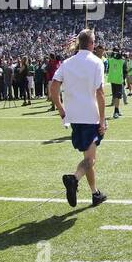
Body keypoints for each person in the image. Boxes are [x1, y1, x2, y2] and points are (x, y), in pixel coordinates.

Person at [50, 30, 109, 208]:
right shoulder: (96, 62)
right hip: (90, 116)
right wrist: (102, 120)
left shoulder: (67, 63)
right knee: (90, 160)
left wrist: (62, 110)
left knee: (88, 157)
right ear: (91, 43)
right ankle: (73, 179)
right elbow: (100, 92)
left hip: (74, 116)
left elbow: (53, 88)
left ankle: (95, 193)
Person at [107, 49, 126, 118]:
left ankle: (117, 110)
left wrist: (114, 53)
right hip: (118, 81)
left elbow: (111, 55)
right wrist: (120, 53)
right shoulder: (121, 61)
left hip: (113, 80)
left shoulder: (111, 60)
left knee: (116, 96)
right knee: (117, 97)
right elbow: (123, 57)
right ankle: (116, 111)